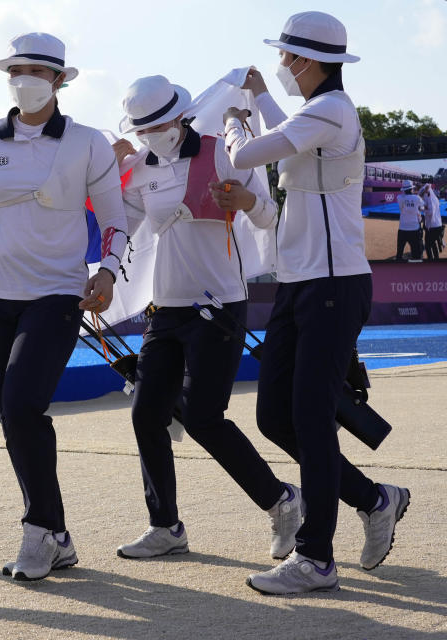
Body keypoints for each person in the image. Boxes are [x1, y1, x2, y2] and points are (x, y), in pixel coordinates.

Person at [224, 11, 410, 594]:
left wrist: (235, 121)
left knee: (308, 416)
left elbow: (247, 156)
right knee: (275, 415)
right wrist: (259, 97)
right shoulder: (318, 113)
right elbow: (289, 133)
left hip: (333, 284)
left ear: (308, 61)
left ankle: (316, 559)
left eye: (286, 57)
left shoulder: (333, 109)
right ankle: (376, 499)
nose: (281, 65)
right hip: (302, 283)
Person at [0, 32, 129, 581]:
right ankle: (58, 536)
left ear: (61, 80)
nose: (24, 79)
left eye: (37, 71)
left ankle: (38, 530)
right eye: (16, 70)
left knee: (21, 407)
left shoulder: (88, 141)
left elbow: (116, 217)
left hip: (58, 294)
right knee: (11, 414)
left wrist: (108, 271)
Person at [111, 75, 302, 563]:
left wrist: (248, 202)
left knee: (203, 419)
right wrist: (107, 175)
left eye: (156, 124)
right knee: (145, 416)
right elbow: (119, 226)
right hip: (167, 309)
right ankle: (165, 526)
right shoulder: (139, 169)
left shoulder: (219, 153)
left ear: (180, 116)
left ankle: (281, 501)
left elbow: (267, 217)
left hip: (218, 307)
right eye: (141, 128)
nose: (149, 134)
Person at [396, 181, 424, 260]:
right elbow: (422, 207)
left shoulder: (399, 198)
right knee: (416, 253)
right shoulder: (417, 198)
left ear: (404, 189)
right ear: (412, 189)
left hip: (402, 228)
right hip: (414, 229)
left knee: (399, 252)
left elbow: (401, 207)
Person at [420, 183, 442, 259]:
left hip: (433, 226)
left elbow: (431, 212)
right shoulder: (433, 198)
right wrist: (423, 208)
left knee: (428, 245)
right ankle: (436, 259)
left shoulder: (430, 199)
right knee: (433, 244)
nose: (422, 196)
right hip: (436, 225)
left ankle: (430, 260)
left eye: (423, 194)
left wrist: (424, 209)